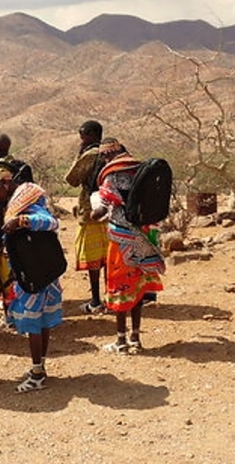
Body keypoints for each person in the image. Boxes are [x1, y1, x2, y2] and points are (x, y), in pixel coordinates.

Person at [0, 167, 63, 393]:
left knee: (34, 322)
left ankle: (37, 373)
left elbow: (50, 222)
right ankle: (40, 367)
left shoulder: (27, 201)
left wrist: (21, 222)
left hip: (35, 270)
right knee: (42, 320)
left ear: (5, 184)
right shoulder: (18, 200)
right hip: (40, 267)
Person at [91, 138, 165, 354]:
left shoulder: (111, 176)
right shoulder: (142, 170)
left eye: (104, 156)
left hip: (121, 238)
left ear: (108, 155)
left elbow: (102, 208)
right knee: (138, 287)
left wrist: (94, 209)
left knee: (120, 286)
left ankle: (121, 340)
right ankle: (135, 337)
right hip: (144, 236)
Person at [65, 120, 109, 314]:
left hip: (91, 213)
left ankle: (96, 300)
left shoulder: (90, 154)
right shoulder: (111, 151)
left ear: (90, 135)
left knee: (94, 260)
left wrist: (79, 153)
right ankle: (113, 298)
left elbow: (71, 179)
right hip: (111, 212)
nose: (81, 140)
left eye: (83, 136)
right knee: (110, 259)